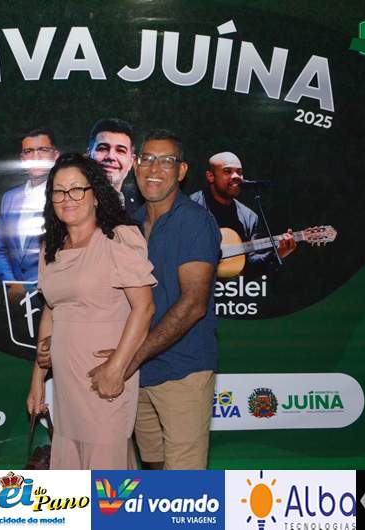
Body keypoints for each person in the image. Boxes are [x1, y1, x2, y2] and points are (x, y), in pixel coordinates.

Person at [90, 130, 220, 470]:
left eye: (166, 161)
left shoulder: (194, 222)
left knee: (182, 481)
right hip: (139, 374)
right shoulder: (130, 225)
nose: (154, 168)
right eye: (147, 159)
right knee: (152, 467)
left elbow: (193, 305)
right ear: (135, 166)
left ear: (181, 171)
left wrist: (129, 359)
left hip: (182, 370)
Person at [26, 153, 156, 470]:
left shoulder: (117, 239)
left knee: (107, 475)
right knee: (71, 469)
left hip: (103, 375)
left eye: (76, 189)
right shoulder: (51, 247)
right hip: (66, 382)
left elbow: (144, 308)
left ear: (95, 194)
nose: (67, 198)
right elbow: (51, 310)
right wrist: (38, 379)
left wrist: (117, 368)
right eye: (59, 191)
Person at [190, 152, 295, 276]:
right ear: (210, 176)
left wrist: (278, 254)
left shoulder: (249, 217)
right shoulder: (188, 209)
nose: (236, 176)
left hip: (229, 286)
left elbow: (249, 266)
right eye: (227, 171)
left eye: (239, 172)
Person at [0, 128, 59, 301]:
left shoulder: (66, 198)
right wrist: (12, 283)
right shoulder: (9, 197)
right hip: (14, 300)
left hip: (54, 297)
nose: (36, 157)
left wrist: (30, 288)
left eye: (43, 150)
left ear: (55, 155)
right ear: (22, 159)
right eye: (29, 151)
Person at [87, 118, 143, 216]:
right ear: (88, 156)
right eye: (103, 148)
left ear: (131, 162)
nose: (111, 156)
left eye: (120, 150)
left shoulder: (142, 209)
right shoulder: (68, 202)